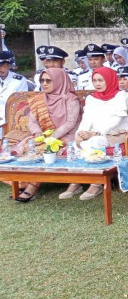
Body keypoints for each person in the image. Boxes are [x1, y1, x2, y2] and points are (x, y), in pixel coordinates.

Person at [11, 68, 82, 202]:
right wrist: (38, 134)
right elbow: (32, 121)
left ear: (60, 81)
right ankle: (22, 183)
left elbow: (70, 123)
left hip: (67, 135)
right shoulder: (39, 99)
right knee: (28, 145)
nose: (44, 83)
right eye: (42, 80)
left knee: (44, 149)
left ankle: (32, 186)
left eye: (48, 81)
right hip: (45, 135)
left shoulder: (70, 99)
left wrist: (52, 137)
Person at [73, 67, 128, 200]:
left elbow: (115, 120)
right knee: (76, 144)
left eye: (101, 80)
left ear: (110, 80)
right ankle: (77, 181)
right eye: (95, 80)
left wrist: (94, 133)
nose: (97, 84)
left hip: (118, 134)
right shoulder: (92, 98)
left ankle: (96, 183)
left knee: (92, 143)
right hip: (94, 133)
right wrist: (80, 133)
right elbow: (86, 119)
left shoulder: (122, 96)